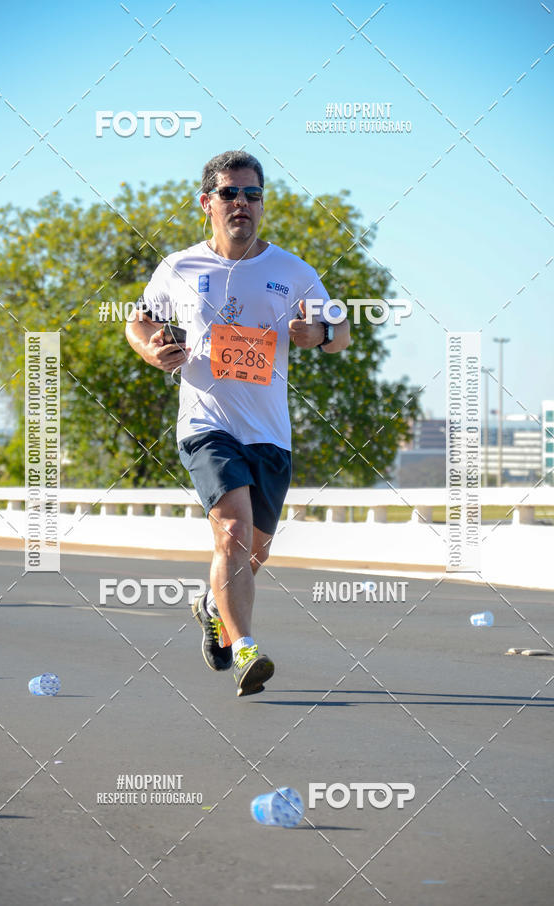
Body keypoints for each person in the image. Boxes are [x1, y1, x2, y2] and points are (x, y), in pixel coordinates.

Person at [126, 150, 350, 697]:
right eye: (230, 194)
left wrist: (317, 336)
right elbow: (139, 320)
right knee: (231, 530)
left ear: (262, 204)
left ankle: (211, 605)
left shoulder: (294, 272)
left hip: (270, 433)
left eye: (252, 195)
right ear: (207, 203)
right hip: (206, 425)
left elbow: (341, 334)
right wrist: (152, 349)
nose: (242, 204)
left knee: (252, 553)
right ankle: (247, 649)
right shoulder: (178, 267)